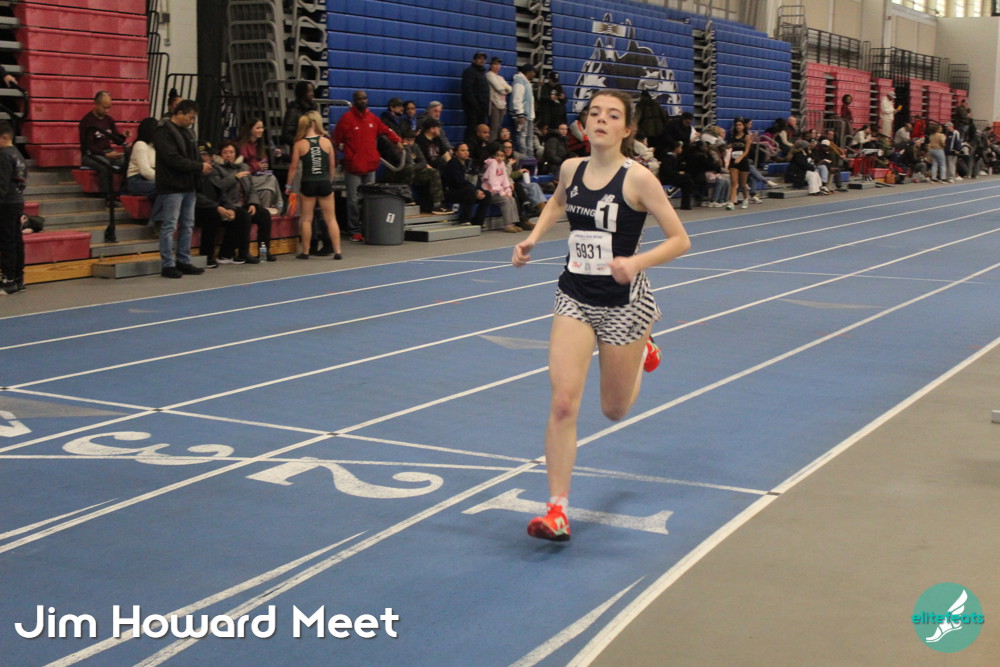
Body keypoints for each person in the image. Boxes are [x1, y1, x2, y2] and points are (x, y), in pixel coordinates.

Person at [511, 89, 690, 541]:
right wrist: (532, 238)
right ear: (585, 123)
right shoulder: (572, 168)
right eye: (595, 113)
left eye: (612, 115)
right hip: (574, 295)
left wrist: (636, 262)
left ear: (627, 129)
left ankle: (643, 346)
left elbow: (680, 240)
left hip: (624, 303)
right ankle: (557, 509)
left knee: (614, 409)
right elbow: (558, 202)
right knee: (563, 402)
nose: (601, 121)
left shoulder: (639, 179)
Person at [333, 90, 402, 242]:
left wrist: (397, 140)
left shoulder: (372, 118)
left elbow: (386, 130)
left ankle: (368, 227)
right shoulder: (346, 119)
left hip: (370, 165)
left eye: (365, 98)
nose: (363, 101)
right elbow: (336, 139)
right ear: (354, 100)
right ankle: (354, 230)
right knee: (353, 200)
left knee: (369, 200)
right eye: (360, 99)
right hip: (354, 167)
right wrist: (345, 153)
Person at [154, 99, 212, 279]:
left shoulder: (188, 133)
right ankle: (168, 264)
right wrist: (198, 166)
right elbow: (172, 159)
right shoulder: (163, 131)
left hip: (188, 185)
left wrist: (200, 166)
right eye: (190, 117)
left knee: (187, 225)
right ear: (179, 113)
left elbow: (192, 156)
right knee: (170, 225)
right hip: (172, 186)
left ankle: (183, 260)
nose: (192, 121)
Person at [286, 111, 342, 260]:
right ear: (316, 124)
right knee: (331, 219)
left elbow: (293, 167)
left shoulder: (299, 144)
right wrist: (329, 181)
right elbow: (332, 165)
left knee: (306, 219)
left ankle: (305, 251)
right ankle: (337, 251)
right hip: (324, 181)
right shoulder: (327, 142)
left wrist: (288, 186)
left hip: (308, 183)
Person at [208, 140, 274, 264]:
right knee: (244, 217)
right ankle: (244, 253)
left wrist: (253, 203)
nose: (228, 155)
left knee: (264, 214)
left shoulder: (244, 167)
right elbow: (218, 188)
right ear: (220, 154)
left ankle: (264, 251)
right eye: (225, 152)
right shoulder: (216, 169)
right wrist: (234, 177)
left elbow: (252, 188)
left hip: (245, 204)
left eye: (231, 152)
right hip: (229, 205)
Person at [78, 91, 127, 206]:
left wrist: (123, 136)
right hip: (90, 154)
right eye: (104, 107)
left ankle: (122, 192)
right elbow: (88, 146)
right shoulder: (87, 122)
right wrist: (105, 154)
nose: (107, 110)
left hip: (107, 152)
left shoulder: (108, 120)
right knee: (106, 165)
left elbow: (116, 140)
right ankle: (107, 196)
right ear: (95, 104)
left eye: (109, 107)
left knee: (128, 161)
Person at [0, 120, 27, 294]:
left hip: (6, 203)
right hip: (17, 200)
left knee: (7, 242)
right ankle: (18, 278)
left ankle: (8, 280)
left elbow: (1, 184)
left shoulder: (3, 155)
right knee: (16, 240)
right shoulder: (18, 154)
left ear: (4, 138)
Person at [236, 117, 283, 212]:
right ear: (250, 129)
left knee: (267, 190)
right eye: (258, 128)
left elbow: (263, 160)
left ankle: (266, 211)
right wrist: (256, 166)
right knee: (272, 179)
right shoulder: (242, 145)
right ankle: (279, 205)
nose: (261, 130)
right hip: (246, 178)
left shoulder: (259, 145)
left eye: (262, 127)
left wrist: (264, 165)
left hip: (258, 176)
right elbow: (241, 166)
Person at [125, 117, 163, 224]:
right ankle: (156, 220)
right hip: (136, 180)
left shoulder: (153, 146)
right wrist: (163, 179)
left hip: (149, 178)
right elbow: (145, 171)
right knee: (164, 188)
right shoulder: (140, 145)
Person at [480, 141, 523, 233]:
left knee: (511, 199)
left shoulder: (502, 164)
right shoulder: (492, 164)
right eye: (497, 155)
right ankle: (508, 225)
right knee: (505, 200)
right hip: (490, 192)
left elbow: (505, 179)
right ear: (493, 155)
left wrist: (508, 191)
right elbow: (492, 182)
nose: (500, 158)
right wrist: (502, 193)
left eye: (502, 156)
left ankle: (513, 223)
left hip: (499, 192)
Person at [442, 142, 487, 227]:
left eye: (467, 150)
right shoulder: (453, 164)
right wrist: (476, 191)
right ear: (456, 153)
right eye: (462, 150)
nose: (466, 152)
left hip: (468, 190)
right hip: (453, 192)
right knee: (470, 191)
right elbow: (459, 182)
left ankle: (478, 222)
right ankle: (464, 220)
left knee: (487, 194)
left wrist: (479, 190)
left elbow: (476, 178)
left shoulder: (469, 163)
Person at [461, 52, 490, 144]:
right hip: (473, 108)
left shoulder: (482, 73)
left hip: (482, 108)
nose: (482, 61)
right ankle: (468, 148)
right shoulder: (469, 72)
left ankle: (478, 148)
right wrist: (475, 105)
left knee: (481, 131)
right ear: (474, 60)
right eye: (479, 58)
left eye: (483, 59)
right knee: (472, 130)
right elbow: (467, 91)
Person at [280, 81, 318, 148]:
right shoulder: (293, 111)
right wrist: (301, 144)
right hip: (300, 149)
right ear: (302, 93)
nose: (312, 94)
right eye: (309, 91)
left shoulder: (313, 108)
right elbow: (286, 135)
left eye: (312, 91)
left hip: (314, 147)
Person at [510, 63, 537, 157]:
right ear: (528, 72)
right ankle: (524, 158)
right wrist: (520, 114)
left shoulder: (526, 82)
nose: (534, 74)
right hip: (522, 116)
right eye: (533, 72)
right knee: (522, 137)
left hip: (528, 115)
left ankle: (530, 159)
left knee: (529, 138)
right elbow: (517, 98)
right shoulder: (519, 81)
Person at [727, 118, 753, 209]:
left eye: (740, 125)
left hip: (743, 161)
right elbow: (731, 148)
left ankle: (746, 198)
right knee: (734, 183)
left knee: (743, 184)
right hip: (733, 161)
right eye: (736, 125)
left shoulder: (747, 137)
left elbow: (747, 150)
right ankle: (731, 202)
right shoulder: (733, 137)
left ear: (743, 126)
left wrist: (740, 158)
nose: (738, 127)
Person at [485, 58, 511, 140]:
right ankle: (491, 144)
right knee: (494, 127)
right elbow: (499, 88)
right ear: (491, 65)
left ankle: (496, 144)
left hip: (502, 104)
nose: (497, 66)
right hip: (494, 103)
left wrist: (505, 89)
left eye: (498, 64)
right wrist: (505, 89)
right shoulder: (489, 75)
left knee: (499, 127)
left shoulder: (500, 77)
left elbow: (510, 89)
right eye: (495, 64)